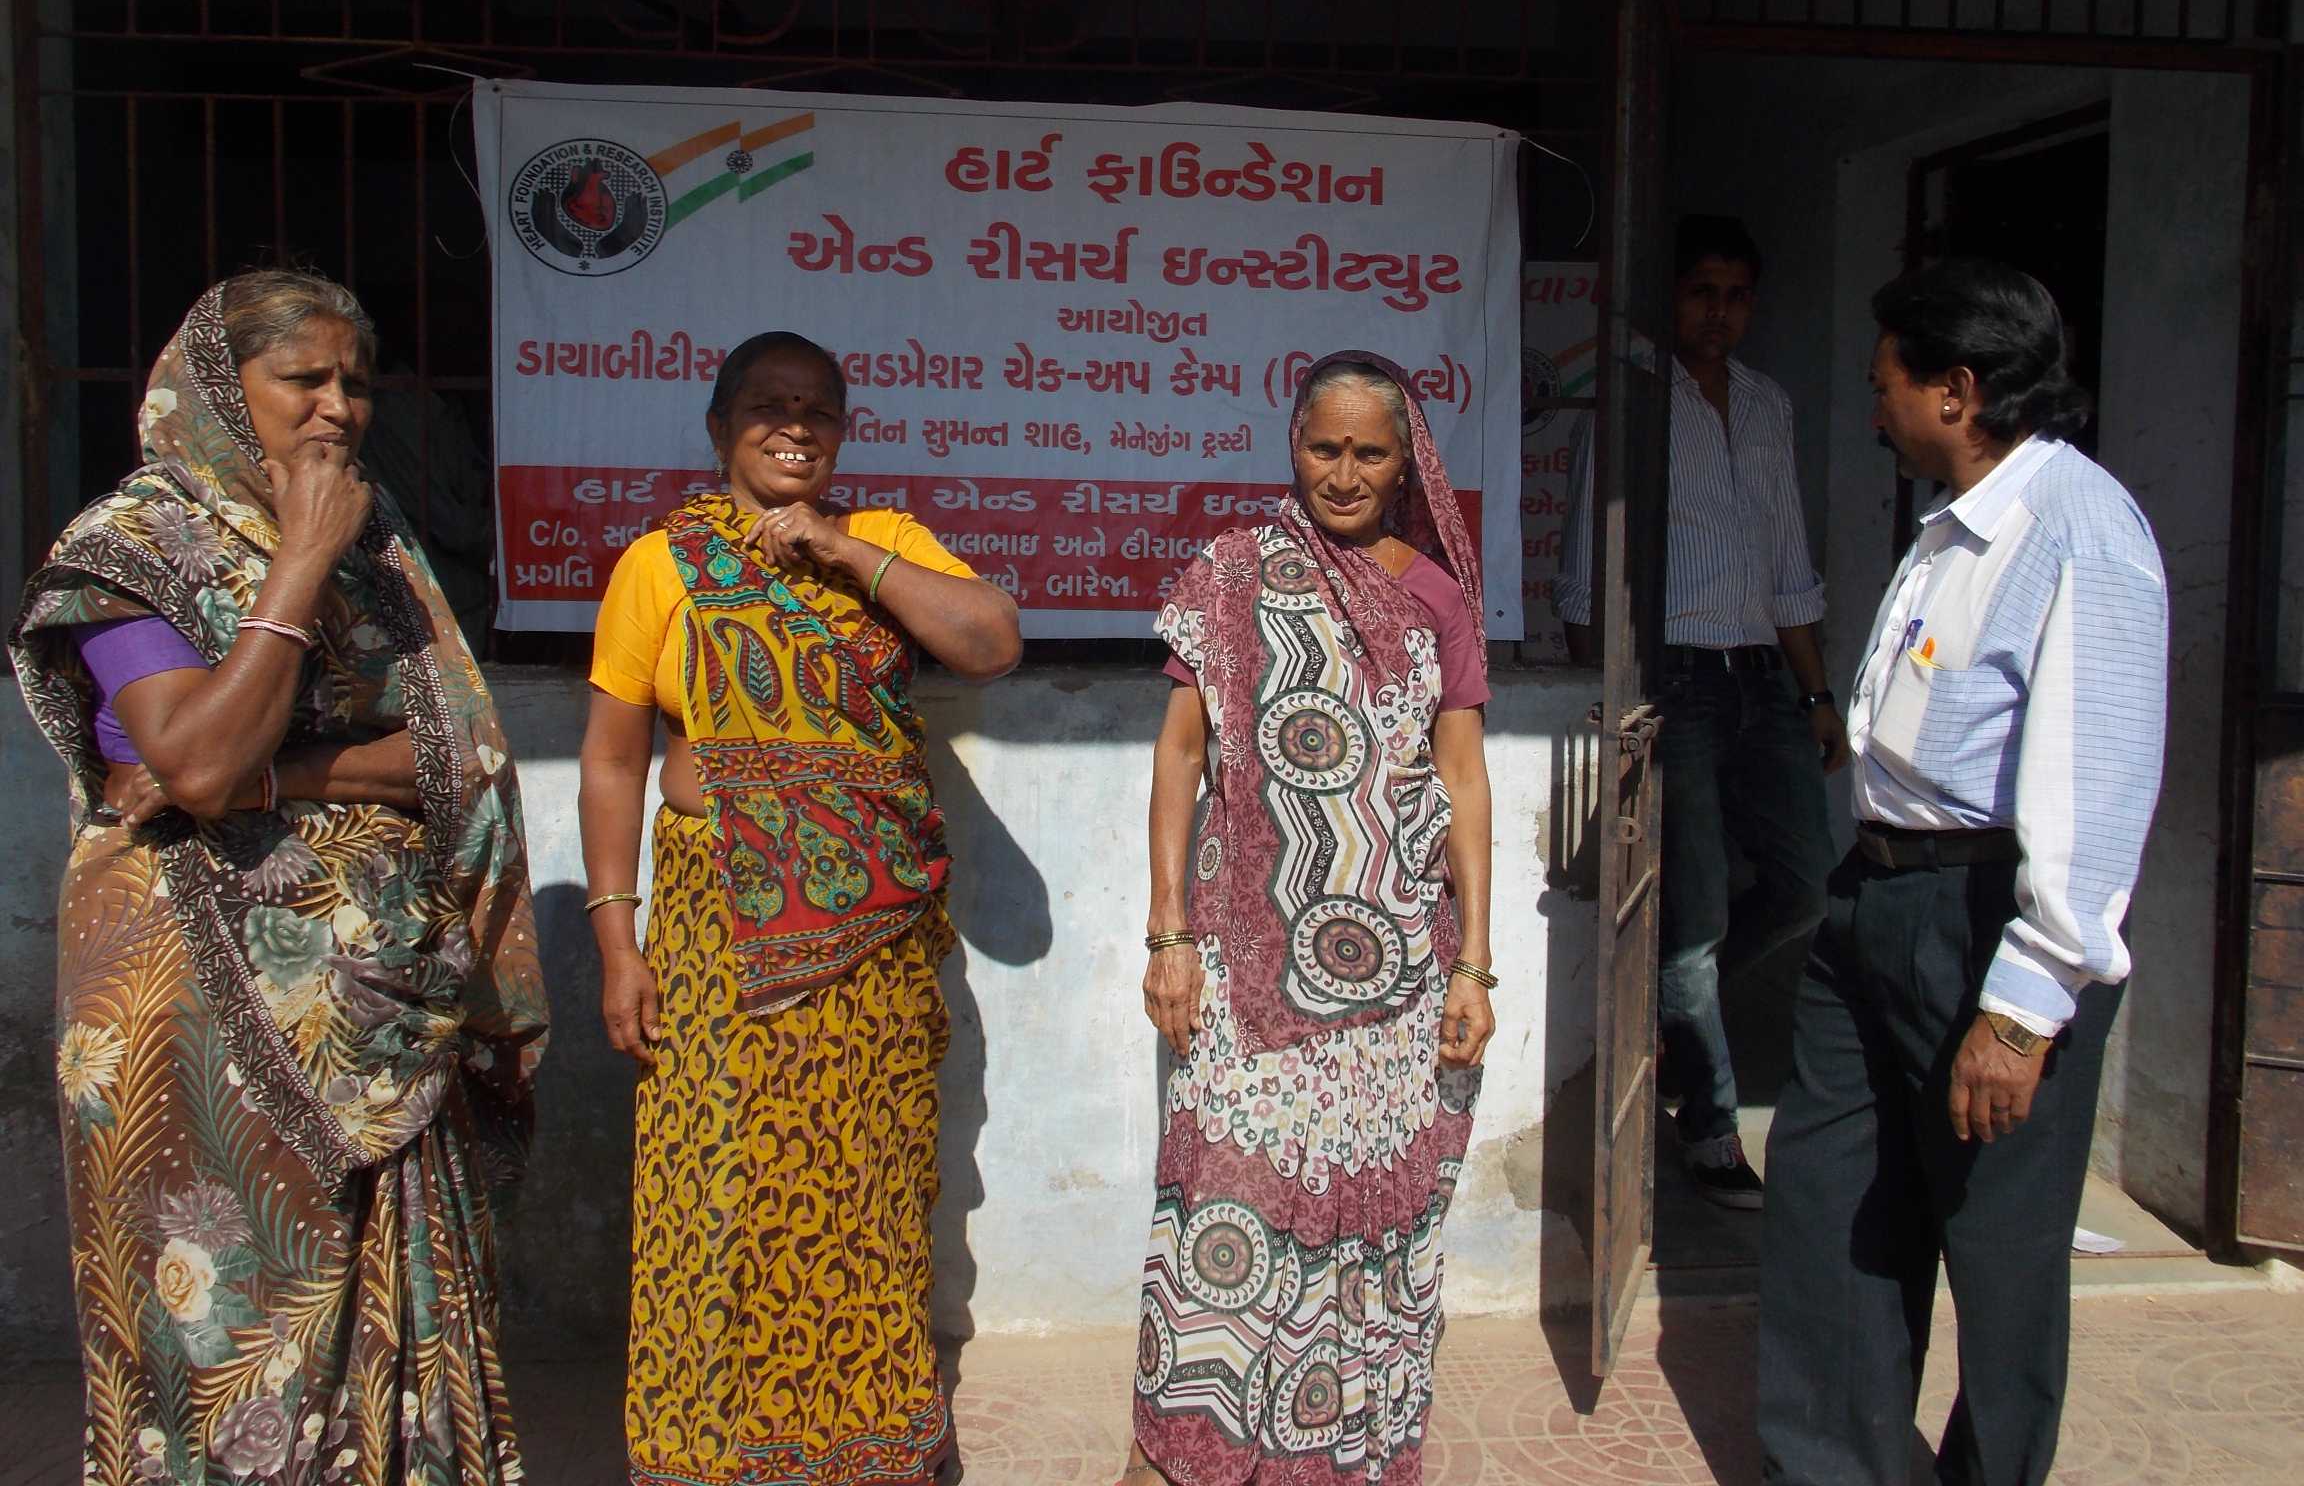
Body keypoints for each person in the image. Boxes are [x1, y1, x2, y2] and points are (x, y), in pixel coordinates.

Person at [10, 272, 548, 1486]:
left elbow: (454, 751)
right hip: (188, 1010)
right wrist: (298, 564)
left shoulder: (384, 550)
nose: (338, 409)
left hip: (381, 991)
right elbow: (192, 756)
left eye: (355, 383)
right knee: (227, 1327)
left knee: (394, 1317)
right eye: (302, 379)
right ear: (217, 389)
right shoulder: (129, 551)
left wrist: (276, 774)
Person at [578, 331, 1022, 1486]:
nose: (794, 428)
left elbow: (991, 642)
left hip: (871, 950)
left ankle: (863, 1449)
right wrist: (617, 942)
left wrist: (832, 547)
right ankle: (708, 1453)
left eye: (818, 411)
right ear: (719, 427)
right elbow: (614, 763)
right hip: (716, 929)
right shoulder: (659, 567)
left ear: (844, 432)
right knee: (718, 1188)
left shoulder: (882, 543)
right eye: (769, 408)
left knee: (865, 1193)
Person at [1758, 258, 2167, 1485]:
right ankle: (1833, 1466)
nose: (1872, 405)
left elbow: (2097, 792)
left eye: (1886, 383)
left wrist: (2025, 1008)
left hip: (1992, 922)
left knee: (1996, 1244)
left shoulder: (2079, 532)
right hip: (1876, 895)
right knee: (1831, 1209)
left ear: (1958, 387)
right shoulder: (1952, 521)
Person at [1118, 351, 1495, 1486]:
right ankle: (1186, 1455)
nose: (1343, 472)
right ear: (1293, 446)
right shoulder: (1233, 576)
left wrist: (1477, 963)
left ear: (1406, 462)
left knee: (1374, 1228)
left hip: (1398, 988)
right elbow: (1182, 757)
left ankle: (1339, 1455)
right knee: (1224, 1213)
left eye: (1368, 451)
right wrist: (1169, 934)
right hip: (1246, 975)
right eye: (1323, 447)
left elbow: (1464, 779)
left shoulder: (1433, 597)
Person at [1555, 214, 1847, 1207]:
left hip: (1762, 677)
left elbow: (1788, 561)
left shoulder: (1768, 404)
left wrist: (1816, 692)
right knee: (1700, 912)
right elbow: (1590, 564)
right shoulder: (1634, 401)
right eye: (1700, 292)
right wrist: (1606, 696)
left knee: (1805, 886)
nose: (1717, 313)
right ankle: (1713, 1122)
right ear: (1671, 297)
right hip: (1670, 677)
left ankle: (1674, 1020)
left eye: (1735, 295)